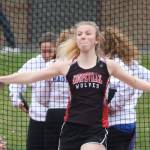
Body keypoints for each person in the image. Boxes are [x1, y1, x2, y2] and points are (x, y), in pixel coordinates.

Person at [0, 21, 150, 150]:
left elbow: (136, 82)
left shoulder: (108, 66)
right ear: (76, 39)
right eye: (79, 34)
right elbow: (31, 76)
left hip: (96, 129)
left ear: (96, 39)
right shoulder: (66, 66)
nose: (83, 36)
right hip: (70, 128)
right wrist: (3, 79)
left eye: (87, 33)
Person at [9, 32, 69, 150]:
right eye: (43, 51)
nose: (46, 55)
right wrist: (17, 100)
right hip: (38, 118)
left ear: (57, 49)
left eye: (50, 51)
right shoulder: (34, 63)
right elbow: (16, 81)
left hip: (60, 119)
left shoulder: (65, 64)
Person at [101, 27, 150, 150]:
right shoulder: (131, 63)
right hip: (129, 122)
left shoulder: (112, 64)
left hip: (114, 125)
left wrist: (110, 108)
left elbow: (127, 87)